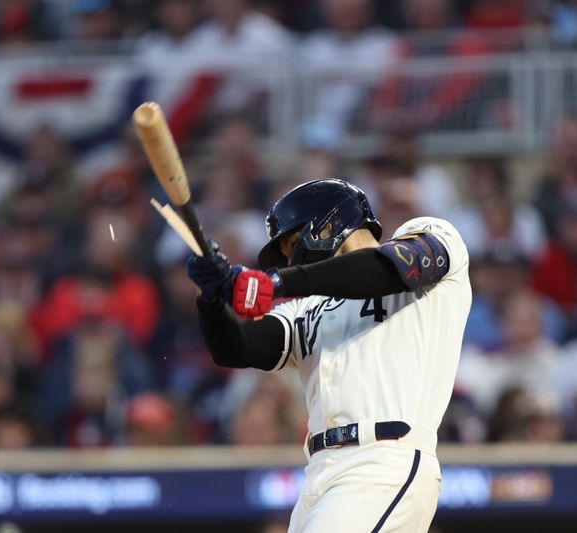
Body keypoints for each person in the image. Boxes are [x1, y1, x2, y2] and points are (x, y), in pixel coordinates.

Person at [187, 179, 471, 532]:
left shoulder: (430, 235)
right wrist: (211, 300)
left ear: (327, 226)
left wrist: (277, 282)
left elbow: (384, 269)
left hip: (383, 459)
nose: (290, 260)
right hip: (320, 472)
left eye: (292, 245)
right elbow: (237, 348)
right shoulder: (306, 307)